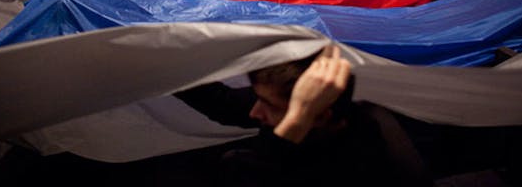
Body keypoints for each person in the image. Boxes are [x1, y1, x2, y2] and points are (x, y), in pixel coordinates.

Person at [174, 45, 432, 187]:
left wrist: (294, 121)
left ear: (317, 113)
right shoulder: (296, 106)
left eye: (268, 104)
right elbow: (224, 104)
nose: (254, 112)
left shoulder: (369, 161)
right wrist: (163, 66)